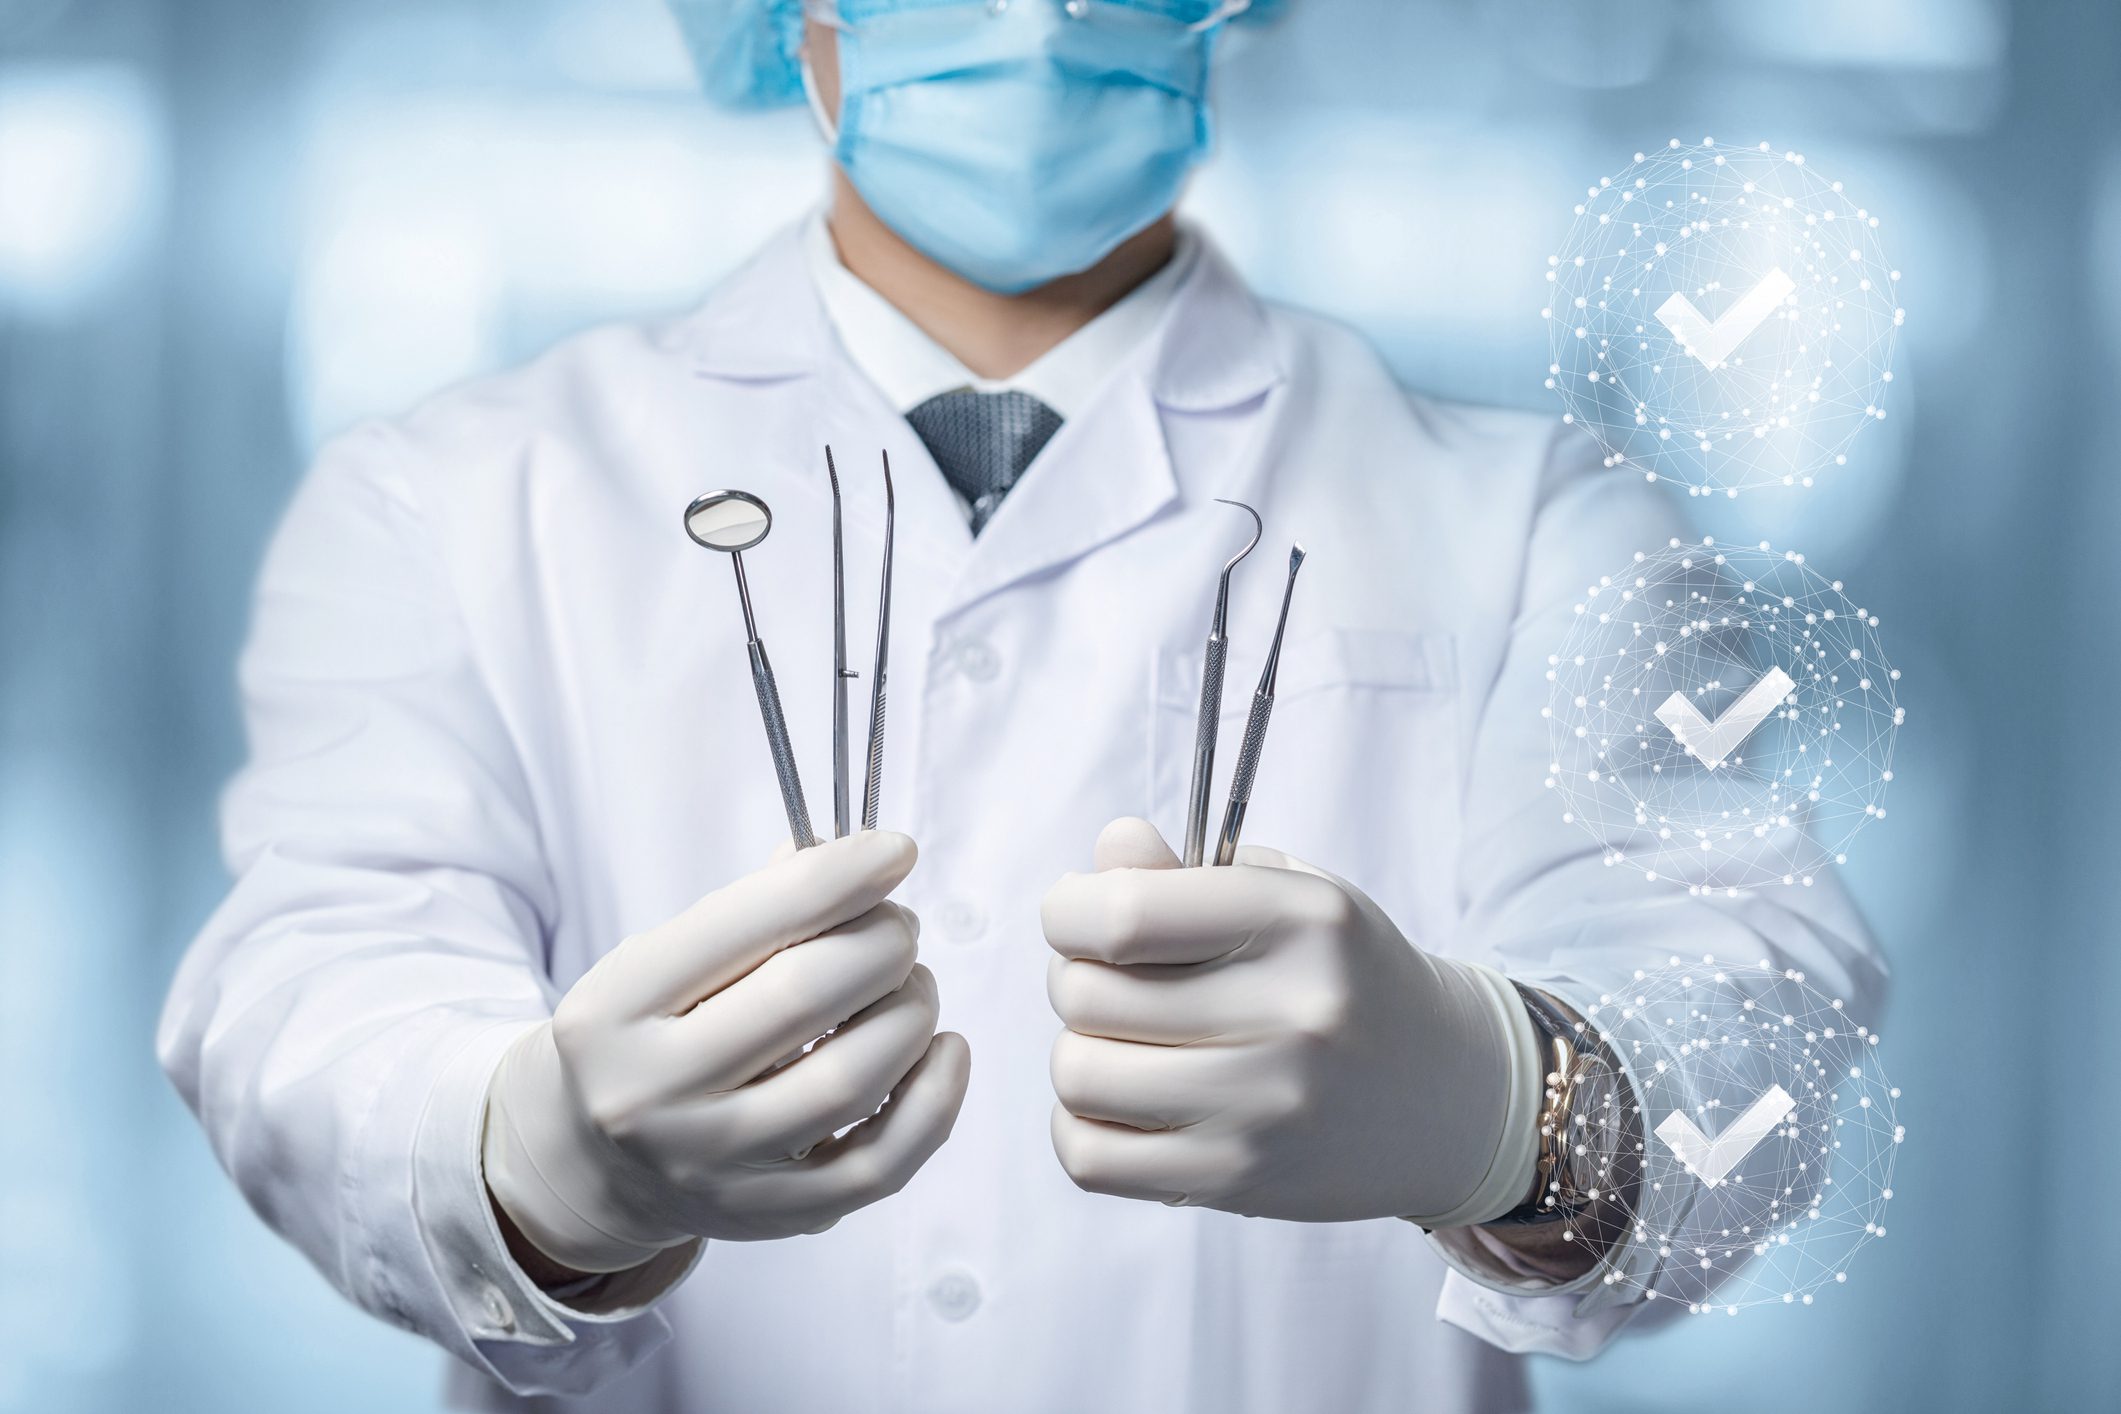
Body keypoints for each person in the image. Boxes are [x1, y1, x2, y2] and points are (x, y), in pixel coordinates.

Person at [159, 1, 1886, 1410]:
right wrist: (529, 1153)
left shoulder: (1540, 518)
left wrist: (1508, 1105)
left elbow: (1754, 1024)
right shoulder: (452, 495)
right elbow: (306, 986)